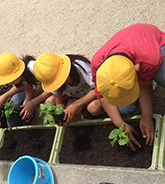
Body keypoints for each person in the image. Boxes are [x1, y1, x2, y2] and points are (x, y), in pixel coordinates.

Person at [91, 23, 165, 151]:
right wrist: (120, 124)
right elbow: (101, 95)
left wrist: (147, 116)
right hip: (132, 54)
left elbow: (144, 83)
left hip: (155, 43)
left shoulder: (148, 59)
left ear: (136, 70)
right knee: (125, 110)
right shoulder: (98, 65)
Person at [33, 52, 104, 125]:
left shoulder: (79, 66)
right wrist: (61, 114)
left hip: (93, 94)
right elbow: (59, 102)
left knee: (94, 108)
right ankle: (84, 113)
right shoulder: (52, 79)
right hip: (75, 97)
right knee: (69, 114)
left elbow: (98, 88)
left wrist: (76, 105)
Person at [0, 52, 52, 123]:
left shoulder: (35, 69)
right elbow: (28, 88)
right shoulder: (22, 78)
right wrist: (27, 101)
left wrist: (32, 103)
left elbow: (53, 88)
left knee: (49, 103)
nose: (8, 83)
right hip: (46, 89)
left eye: (8, 79)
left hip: (59, 88)